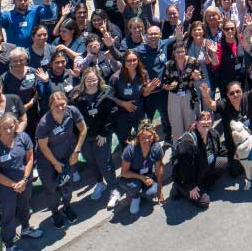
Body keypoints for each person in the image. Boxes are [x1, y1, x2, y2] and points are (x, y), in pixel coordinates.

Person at [0, 114, 41, 251]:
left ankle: (26, 229)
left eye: (11, 127)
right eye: (4, 128)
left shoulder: (23, 138)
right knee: (8, 215)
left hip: (24, 181)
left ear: (15, 126)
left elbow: (30, 159)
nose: (8, 131)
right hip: (6, 187)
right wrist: (14, 185)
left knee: (24, 207)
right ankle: (9, 244)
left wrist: (24, 180)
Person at [35, 90, 87, 228]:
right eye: (56, 106)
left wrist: (77, 151)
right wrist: (55, 163)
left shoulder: (72, 111)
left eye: (62, 104)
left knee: (67, 183)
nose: (60, 108)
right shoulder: (44, 123)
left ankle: (67, 206)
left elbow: (83, 129)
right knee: (52, 189)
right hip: (46, 160)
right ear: (50, 106)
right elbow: (43, 147)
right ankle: (55, 212)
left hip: (66, 155)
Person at [72, 67, 117, 200]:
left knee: (104, 162)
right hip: (85, 136)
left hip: (101, 135)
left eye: (94, 80)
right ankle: (99, 183)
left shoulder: (106, 92)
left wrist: (104, 133)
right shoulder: (77, 95)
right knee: (91, 162)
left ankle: (114, 187)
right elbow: (74, 117)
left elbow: (111, 114)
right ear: (84, 81)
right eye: (88, 80)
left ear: (98, 79)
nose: (91, 82)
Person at [172, 109, 228, 208]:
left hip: (203, 168)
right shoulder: (188, 142)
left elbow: (220, 150)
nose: (206, 122)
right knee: (204, 202)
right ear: (197, 122)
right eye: (203, 119)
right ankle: (181, 188)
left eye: (208, 119)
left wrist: (233, 156)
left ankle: (202, 185)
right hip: (188, 175)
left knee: (225, 162)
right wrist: (191, 186)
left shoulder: (213, 133)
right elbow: (185, 168)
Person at [107, 120, 166, 215]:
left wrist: (159, 188)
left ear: (154, 136)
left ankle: (141, 192)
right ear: (138, 137)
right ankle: (135, 196)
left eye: (149, 137)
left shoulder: (157, 147)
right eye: (143, 138)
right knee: (134, 186)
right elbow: (124, 172)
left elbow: (159, 168)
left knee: (151, 193)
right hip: (132, 177)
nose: (147, 140)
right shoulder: (130, 150)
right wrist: (142, 178)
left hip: (148, 176)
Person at [162, 41, 205, 141]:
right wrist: (168, 86)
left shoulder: (193, 61)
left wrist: (197, 76)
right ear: (173, 53)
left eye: (182, 51)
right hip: (174, 96)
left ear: (185, 51)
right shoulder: (169, 65)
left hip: (188, 94)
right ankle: (178, 147)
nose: (180, 54)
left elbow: (200, 76)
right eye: (178, 52)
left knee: (190, 122)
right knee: (176, 123)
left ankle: (191, 144)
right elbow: (164, 83)